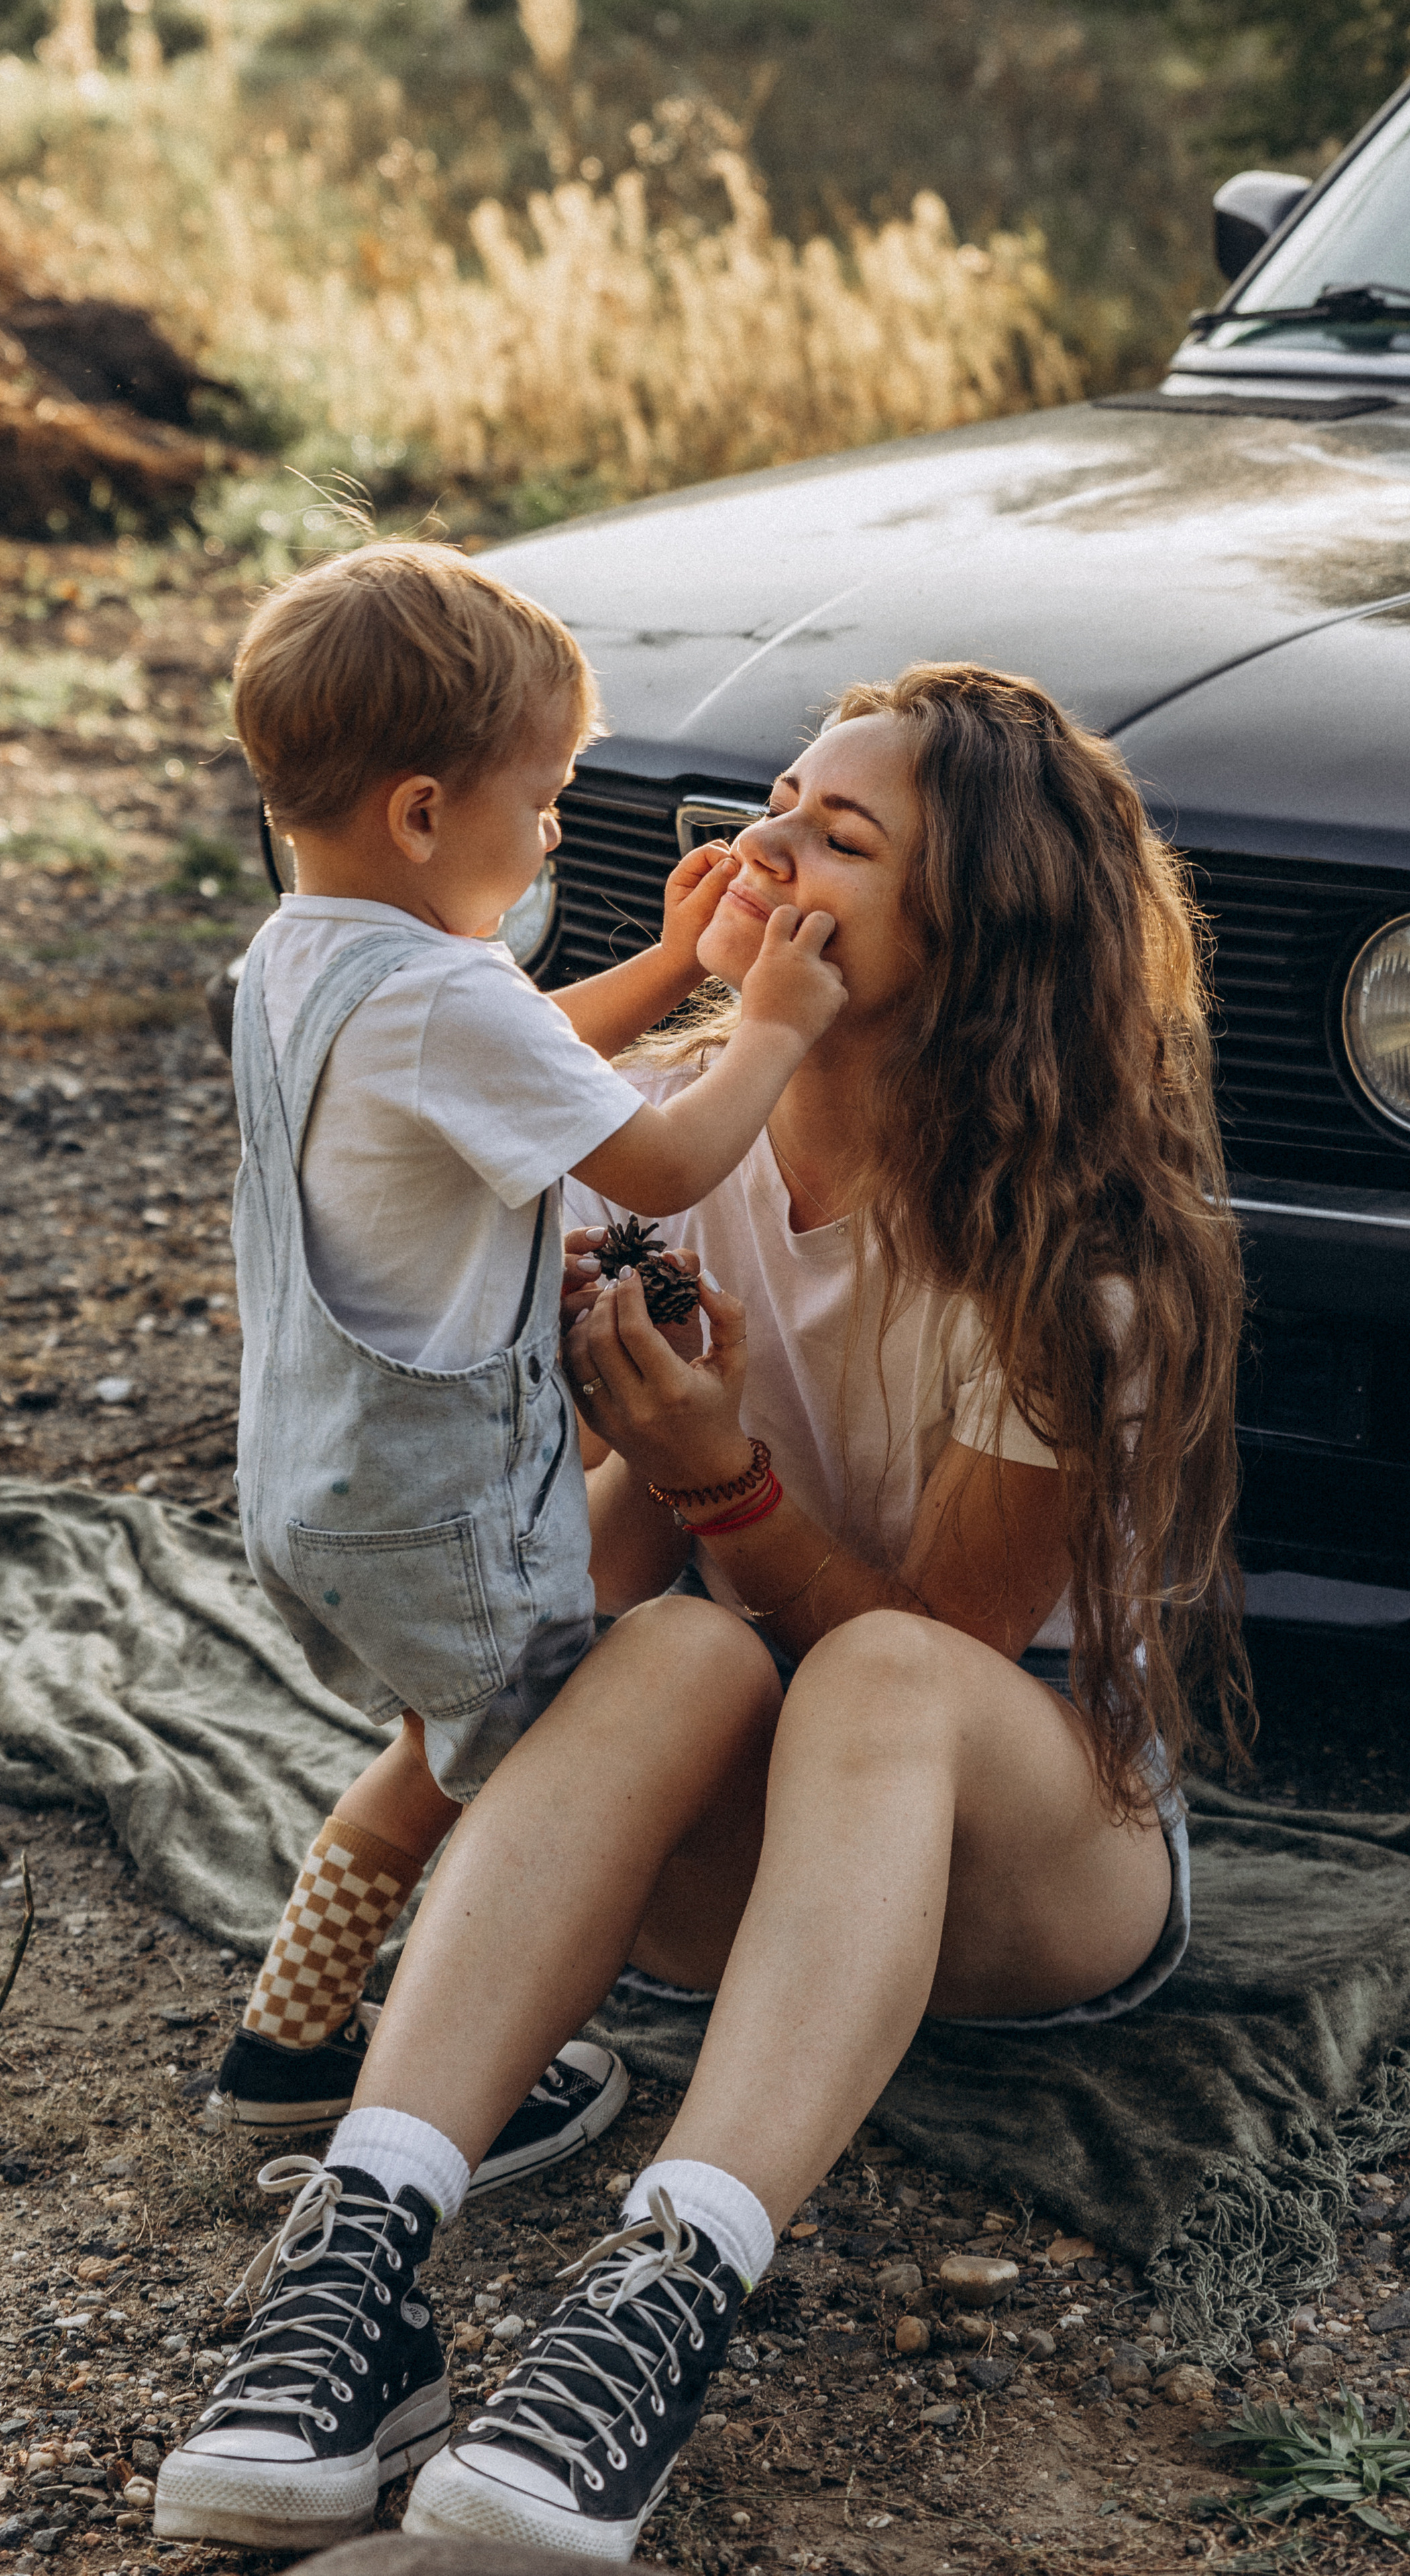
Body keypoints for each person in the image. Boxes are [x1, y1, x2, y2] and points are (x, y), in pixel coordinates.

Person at [155, 663, 1252, 2561]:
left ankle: (663, 2290)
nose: (763, 846)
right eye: (772, 801)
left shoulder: (1074, 1254)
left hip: (1024, 1866)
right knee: (660, 1643)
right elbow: (592, 1575)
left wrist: (721, 1479)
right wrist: (420, 1777)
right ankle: (361, 2248)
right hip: (746, 1888)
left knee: (882, 1668)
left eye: (841, 835)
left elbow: (939, 1648)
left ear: (976, 922)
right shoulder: (668, 1144)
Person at [209, 540, 845, 2198]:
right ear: (424, 812)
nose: (554, 826)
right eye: (545, 795)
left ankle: (288, 2040)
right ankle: (467, 2080)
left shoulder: (308, 955)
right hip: (438, 1502)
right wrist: (766, 1027)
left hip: (313, 1483)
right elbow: (657, 1166)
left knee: (441, 1741)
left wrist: (671, 975)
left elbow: (515, 1061)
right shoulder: (434, 995)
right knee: (540, 1786)